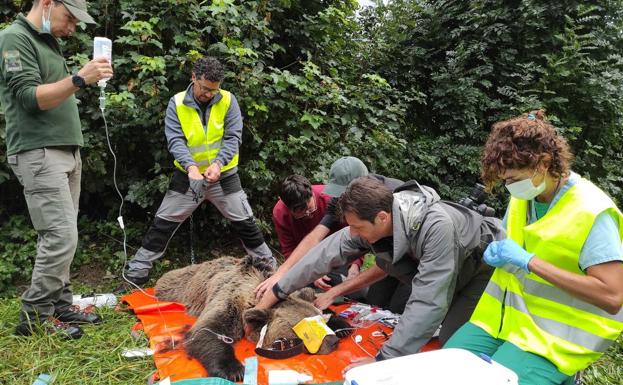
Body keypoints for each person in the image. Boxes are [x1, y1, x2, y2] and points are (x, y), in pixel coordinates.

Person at [444, 110, 623, 385]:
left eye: (513, 179)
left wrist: (529, 261)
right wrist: (501, 253)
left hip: (557, 337)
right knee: (445, 369)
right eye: (505, 180)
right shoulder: (525, 196)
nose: (509, 187)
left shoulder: (592, 211)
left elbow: (612, 297)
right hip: (502, 321)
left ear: (544, 163)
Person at [255, 177, 505, 365]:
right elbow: (323, 254)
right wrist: (278, 290)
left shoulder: (436, 227)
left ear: (383, 218)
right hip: (447, 270)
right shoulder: (371, 221)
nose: (352, 233)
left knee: (452, 345)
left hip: (479, 271)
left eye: (357, 227)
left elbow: (428, 302)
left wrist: (382, 362)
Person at [1, 0, 114, 339]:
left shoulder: (48, 41)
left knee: (66, 234)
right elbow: (29, 98)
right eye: (70, 18)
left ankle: (61, 303)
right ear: (47, 4)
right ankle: (34, 317)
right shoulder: (14, 38)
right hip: (38, 151)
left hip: (64, 150)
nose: (73, 27)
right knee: (60, 236)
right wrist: (79, 78)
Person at [119, 56, 274, 289]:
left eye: (214, 89)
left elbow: (233, 137)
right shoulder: (177, 103)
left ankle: (272, 272)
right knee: (163, 224)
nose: (209, 94)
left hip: (225, 176)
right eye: (205, 88)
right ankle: (136, 274)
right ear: (193, 78)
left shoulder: (229, 100)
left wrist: (218, 164)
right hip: (187, 177)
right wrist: (191, 167)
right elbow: (175, 139)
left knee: (246, 223)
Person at [256, 156, 410, 312]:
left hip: (413, 261)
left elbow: (388, 264)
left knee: (400, 309)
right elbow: (316, 237)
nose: (340, 200)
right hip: (387, 257)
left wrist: (338, 289)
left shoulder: (392, 201)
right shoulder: (343, 199)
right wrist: (281, 274)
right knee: (375, 305)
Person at [272, 174, 362, 290]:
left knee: (340, 283)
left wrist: (355, 265)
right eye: (301, 213)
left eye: (310, 209)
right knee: (297, 287)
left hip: (337, 255)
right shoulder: (280, 213)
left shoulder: (331, 198)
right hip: (305, 260)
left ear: (311, 195)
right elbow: (289, 250)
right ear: (288, 208)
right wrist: (312, 274)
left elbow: (354, 233)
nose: (308, 215)